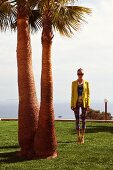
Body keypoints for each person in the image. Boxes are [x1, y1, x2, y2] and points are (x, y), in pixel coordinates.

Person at [71, 68, 90, 144]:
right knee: (77, 120)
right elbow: (72, 94)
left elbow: (88, 95)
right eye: (79, 74)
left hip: (84, 103)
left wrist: (88, 104)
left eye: (81, 74)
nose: (80, 75)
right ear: (77, 74)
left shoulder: (86, 83)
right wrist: (72, 104)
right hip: (76, 103)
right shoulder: (73, 83)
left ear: (83, 74)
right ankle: (78, 137)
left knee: (84, 120)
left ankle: (82, 137)